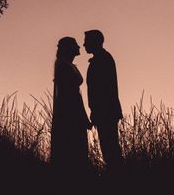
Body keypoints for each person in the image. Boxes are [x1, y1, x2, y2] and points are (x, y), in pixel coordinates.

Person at [84, 29, 123, 171]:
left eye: (86, 41)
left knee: (110, 149)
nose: (83, 45)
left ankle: (118, 178)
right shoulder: (102, 58)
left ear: (94, 42)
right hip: (105, 111)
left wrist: (97, 111)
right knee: (109, 148)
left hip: (106, 112)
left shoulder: (103, 59)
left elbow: (104, 90)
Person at [50, 36, 91, 169]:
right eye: (75, 45)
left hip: (72, 114)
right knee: (72, 151)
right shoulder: (63, 65)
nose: (79, 47)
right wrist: (81, 116)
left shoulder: (67, 65)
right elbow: (71, 95)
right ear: (68, 48)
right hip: (69, 115)